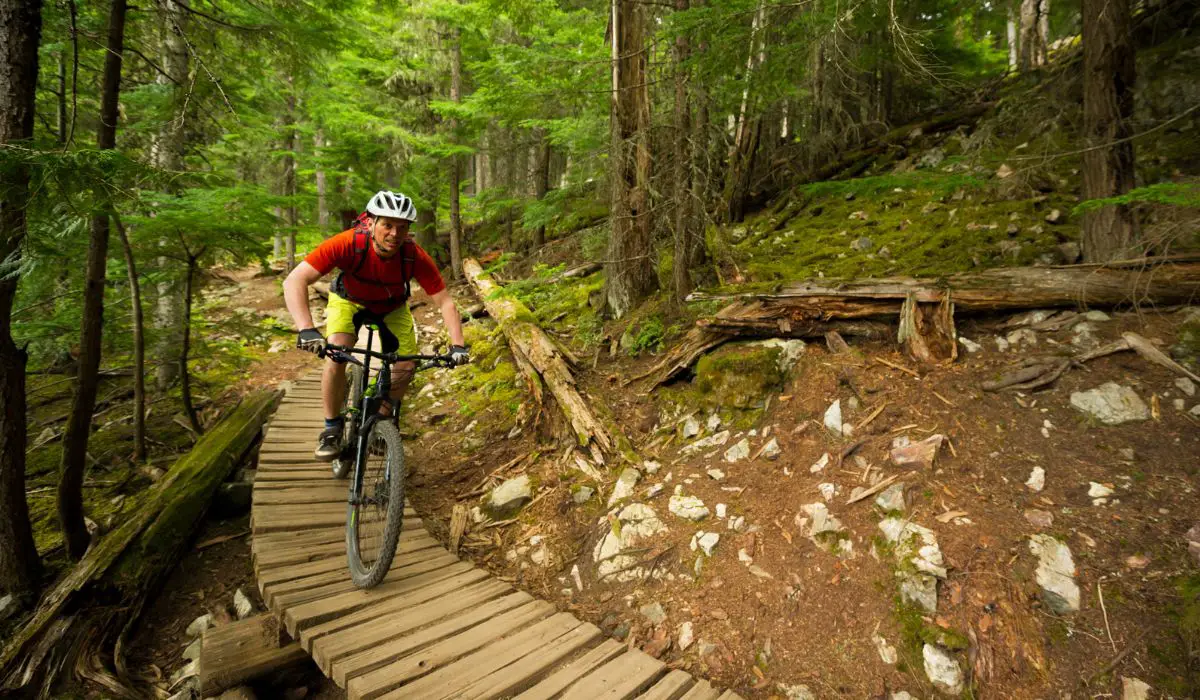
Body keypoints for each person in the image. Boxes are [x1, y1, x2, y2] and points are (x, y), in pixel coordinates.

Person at [284, 190, 469, 461]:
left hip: (392, 306)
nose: (395, 233)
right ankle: (332, 427)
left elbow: (445, 303)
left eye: (403, 227)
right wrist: (306, 328)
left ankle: (382, 420)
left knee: (406, 364)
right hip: (349, 302)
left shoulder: (413, 255)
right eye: (388, 225)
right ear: (370, 223)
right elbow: (295, 280)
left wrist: (458, 346)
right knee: (337, 354)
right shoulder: (347, 243)